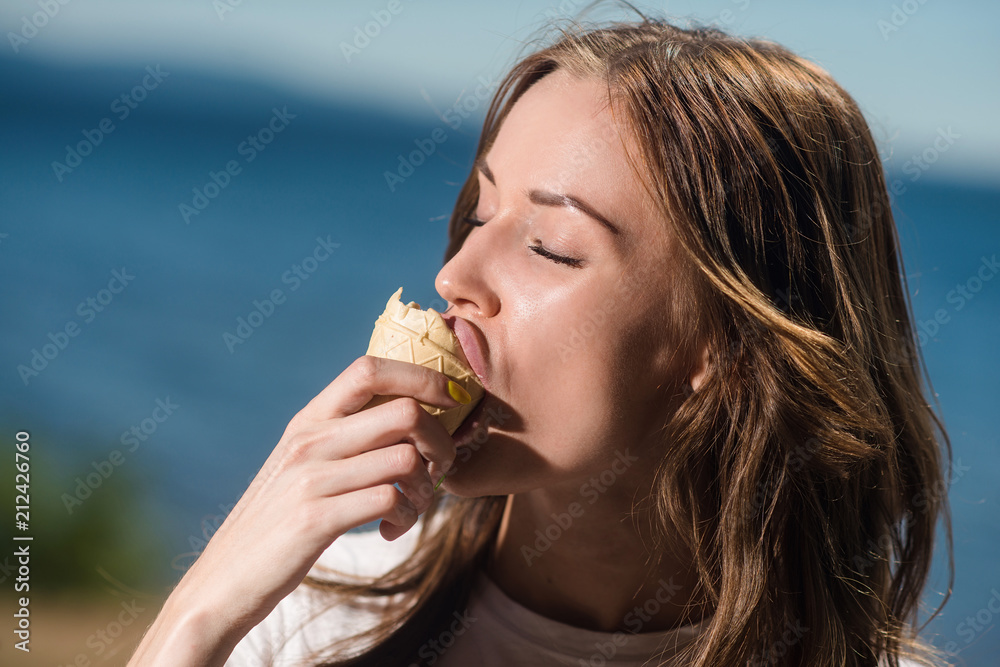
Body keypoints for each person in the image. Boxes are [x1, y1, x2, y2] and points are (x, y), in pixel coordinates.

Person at [128, 9, 954, 667]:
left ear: (730, 348)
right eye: (480, 214)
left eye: (550, 247)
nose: (455, 276)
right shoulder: (303, 624)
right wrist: (197, 616)